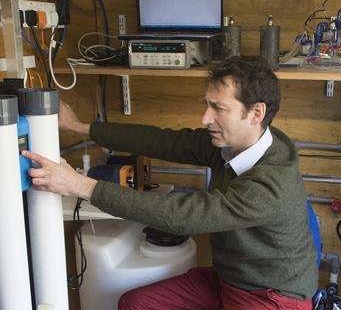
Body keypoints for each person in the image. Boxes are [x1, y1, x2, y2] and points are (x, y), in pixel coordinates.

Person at [23, 56, 318, 310]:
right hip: (229, 281)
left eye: (219, 108)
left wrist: (79, 185)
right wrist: (81, 126)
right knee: (136, 304)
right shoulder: (239, 142)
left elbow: (182, 216)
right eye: (207, 105)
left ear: (256, 113)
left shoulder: (270, 185)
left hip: (272, 298)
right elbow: (163, 141)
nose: (205, 118)